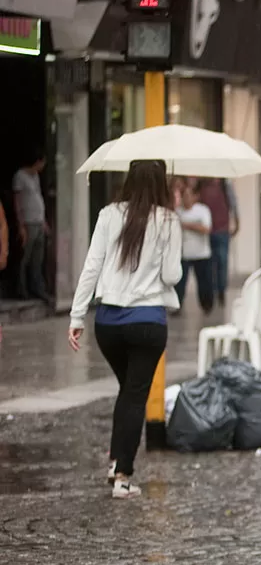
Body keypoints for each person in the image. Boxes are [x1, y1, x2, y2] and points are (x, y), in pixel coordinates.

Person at [67, 160, 182, 498]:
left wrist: (76, 317)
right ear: (161, 182)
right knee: (134, 395)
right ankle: (123, 477)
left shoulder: (107, 214)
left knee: (129, 391)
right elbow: (173, 276)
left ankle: (115, 459)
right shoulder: (168, 220)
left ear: (129, 179)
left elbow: (92, 267)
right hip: (147, 323)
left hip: (108, 324)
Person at [13, 149, 52, 302]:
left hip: (38, 221)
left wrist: (43, 221)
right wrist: (20, 225)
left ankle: (38, 288)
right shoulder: (20, 176)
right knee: (25, 258)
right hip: (28, 222)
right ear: (37, 161)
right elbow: (17, 202)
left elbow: (38, 197)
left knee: (38, 258)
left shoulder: (35, 176)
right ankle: (21, 290)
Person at [173, 178, 216, 313]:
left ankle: (207, 306)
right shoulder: (177, 212)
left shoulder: (202, 210)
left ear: (195, 197)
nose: (186, 198)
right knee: (180, 283)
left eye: (189, 195)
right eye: (184, 195)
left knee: (204, 284)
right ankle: (177, 306)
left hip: (202, 254)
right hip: (185, 254)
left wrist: (186, 225)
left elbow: (206, 228)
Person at [194, 177, 238, 307]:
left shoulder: (225, 183)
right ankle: (212, 291)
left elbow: (233, 202)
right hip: (207, 229)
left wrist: (237, 221)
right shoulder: (201, 183)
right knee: (209, 264)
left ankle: (221, 290)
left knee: (222, 261)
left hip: (222, 229)